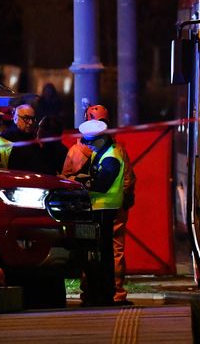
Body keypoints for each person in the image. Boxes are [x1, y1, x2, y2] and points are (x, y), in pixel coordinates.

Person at [62, 104, 135, 305]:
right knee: (112, 251)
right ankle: (115, 292)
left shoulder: (81, 151)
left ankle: (93, 293)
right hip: (113, 208)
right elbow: (128, 179)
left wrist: (82, 183)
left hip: (98, 209)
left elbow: (68, 178)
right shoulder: (116, 149)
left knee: (94, 252)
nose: (90, 145)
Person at [77, 119, 124, 306]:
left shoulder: (111, 157)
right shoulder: (103, 152)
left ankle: (105, 293)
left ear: (100, 139)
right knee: (99, 252)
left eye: (89, 142)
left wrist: (82, 184)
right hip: (100, 208)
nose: (88, 147)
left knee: (102, 253)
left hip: (104, 208)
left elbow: (102, 185)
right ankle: (102, 292)